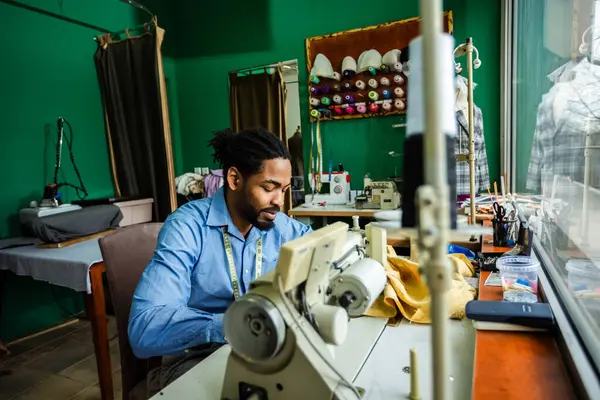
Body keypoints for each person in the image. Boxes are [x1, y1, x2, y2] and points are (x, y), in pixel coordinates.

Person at [128, 127, 312, 397]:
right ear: (235, 179)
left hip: (259, 349)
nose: (279, 202)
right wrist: (236, 326)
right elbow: (145, 328)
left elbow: (324, 253)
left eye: (283, 190)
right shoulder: (187, 227)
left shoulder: (281, 226)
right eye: (268, 188)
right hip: (194, 359)